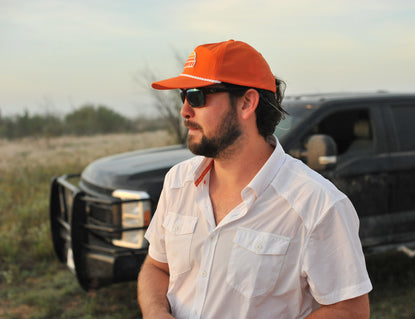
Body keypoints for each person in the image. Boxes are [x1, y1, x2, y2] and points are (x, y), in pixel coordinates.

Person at [137, 39, 372, 319]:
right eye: (183, 96)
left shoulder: (317, 204)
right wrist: (155, 313)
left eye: (197, 96)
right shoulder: (178, 182)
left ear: (247, 103)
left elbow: (349, 309)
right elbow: (157, 267)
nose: (185, 110)